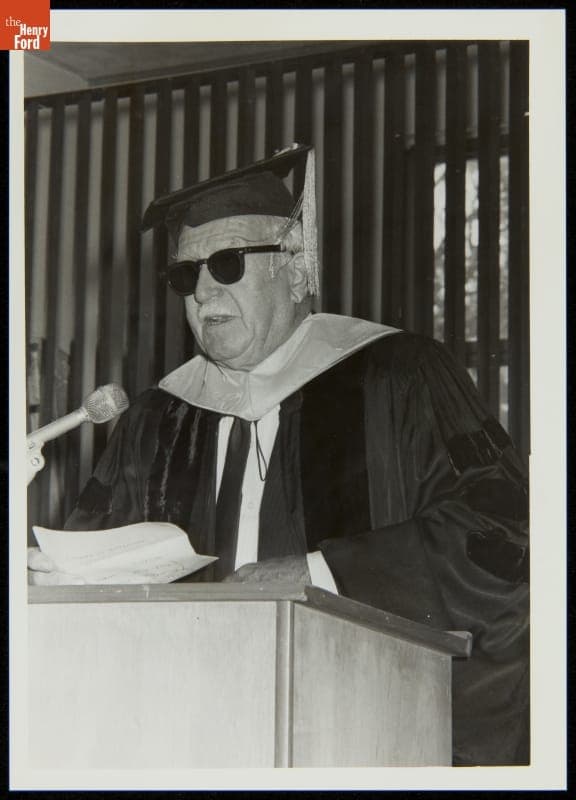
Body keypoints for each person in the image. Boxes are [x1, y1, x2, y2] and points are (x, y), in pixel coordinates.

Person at [28, 144, 529, 767]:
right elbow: (90, 568)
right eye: (186, 275)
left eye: (228, 264)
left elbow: (504, 533)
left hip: (356, 729)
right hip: (187, 732)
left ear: (295, 269)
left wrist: (320, 573)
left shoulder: (401, 378)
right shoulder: (158, 418)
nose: (202, 292)